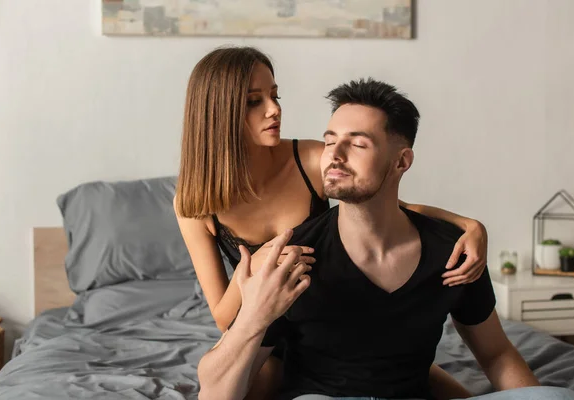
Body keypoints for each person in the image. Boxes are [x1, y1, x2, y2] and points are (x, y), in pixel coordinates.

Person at [195, 78, 574, 400]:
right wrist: (255, 316)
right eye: (330, 141)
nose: (335, 154)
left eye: (358, 143)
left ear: (401, 161)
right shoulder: (293, 259)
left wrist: (472, 226)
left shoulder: (453, 252)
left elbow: (497, 353)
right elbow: (214, 392)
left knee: (559, 398)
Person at [174, 46, 487, 399]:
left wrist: (469, 225)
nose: (274, 109)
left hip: (333, 315)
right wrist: (261, 262)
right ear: (217, 113)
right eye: (254, 101)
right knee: (243, 384)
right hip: (265, 325)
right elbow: (222, 318)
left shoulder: (309, 159)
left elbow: (389, 204)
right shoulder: (194, 204)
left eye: (275, 95)